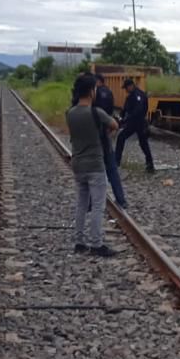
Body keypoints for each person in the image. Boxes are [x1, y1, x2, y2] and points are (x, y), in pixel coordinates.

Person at [67, 73, 117, 257]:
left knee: (81, 204)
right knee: (97, 205)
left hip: (78, 164)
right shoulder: (97, 113)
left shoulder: (70, 113)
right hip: (95, 164)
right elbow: (115, 124)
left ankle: (79, 242)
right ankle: (96, 243)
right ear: (91, 91)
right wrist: (105, 136)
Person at [92, 75, 126, 207]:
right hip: (106, 130)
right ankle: (121, 199)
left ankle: (93, 201)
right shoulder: (109, 92)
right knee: (112, 169)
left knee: (94, 170)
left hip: (95, 135)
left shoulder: (95, 94)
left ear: (97, 82)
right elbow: (111, 114)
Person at [114, 77, 154, 173]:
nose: (126, 90)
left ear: (131, 86)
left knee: (143, 143)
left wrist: (126, 118)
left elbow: (138, 110)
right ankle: (116, 161)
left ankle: (150, 164)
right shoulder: (131, 96)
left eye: (126, 88)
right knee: (121, 137)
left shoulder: (138, 95)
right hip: (132, 123)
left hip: (140, 123)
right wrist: (121, 116)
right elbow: (125, 108)